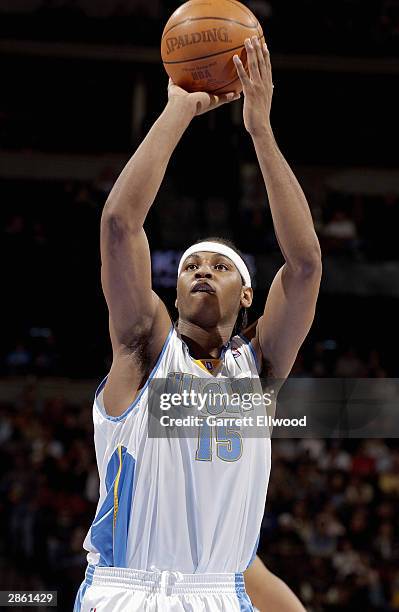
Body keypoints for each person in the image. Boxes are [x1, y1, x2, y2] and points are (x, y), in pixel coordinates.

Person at [74, 36, 321, 611]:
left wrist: (260, 129)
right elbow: (118, 224)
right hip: (129, 591)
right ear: (174, 288)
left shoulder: (258, 373)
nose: (201, 271)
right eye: (189, 265)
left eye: (218, 265)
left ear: (248, 292)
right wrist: (177, 109)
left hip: (218, 596)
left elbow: (306, 264)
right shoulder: (142, 347)